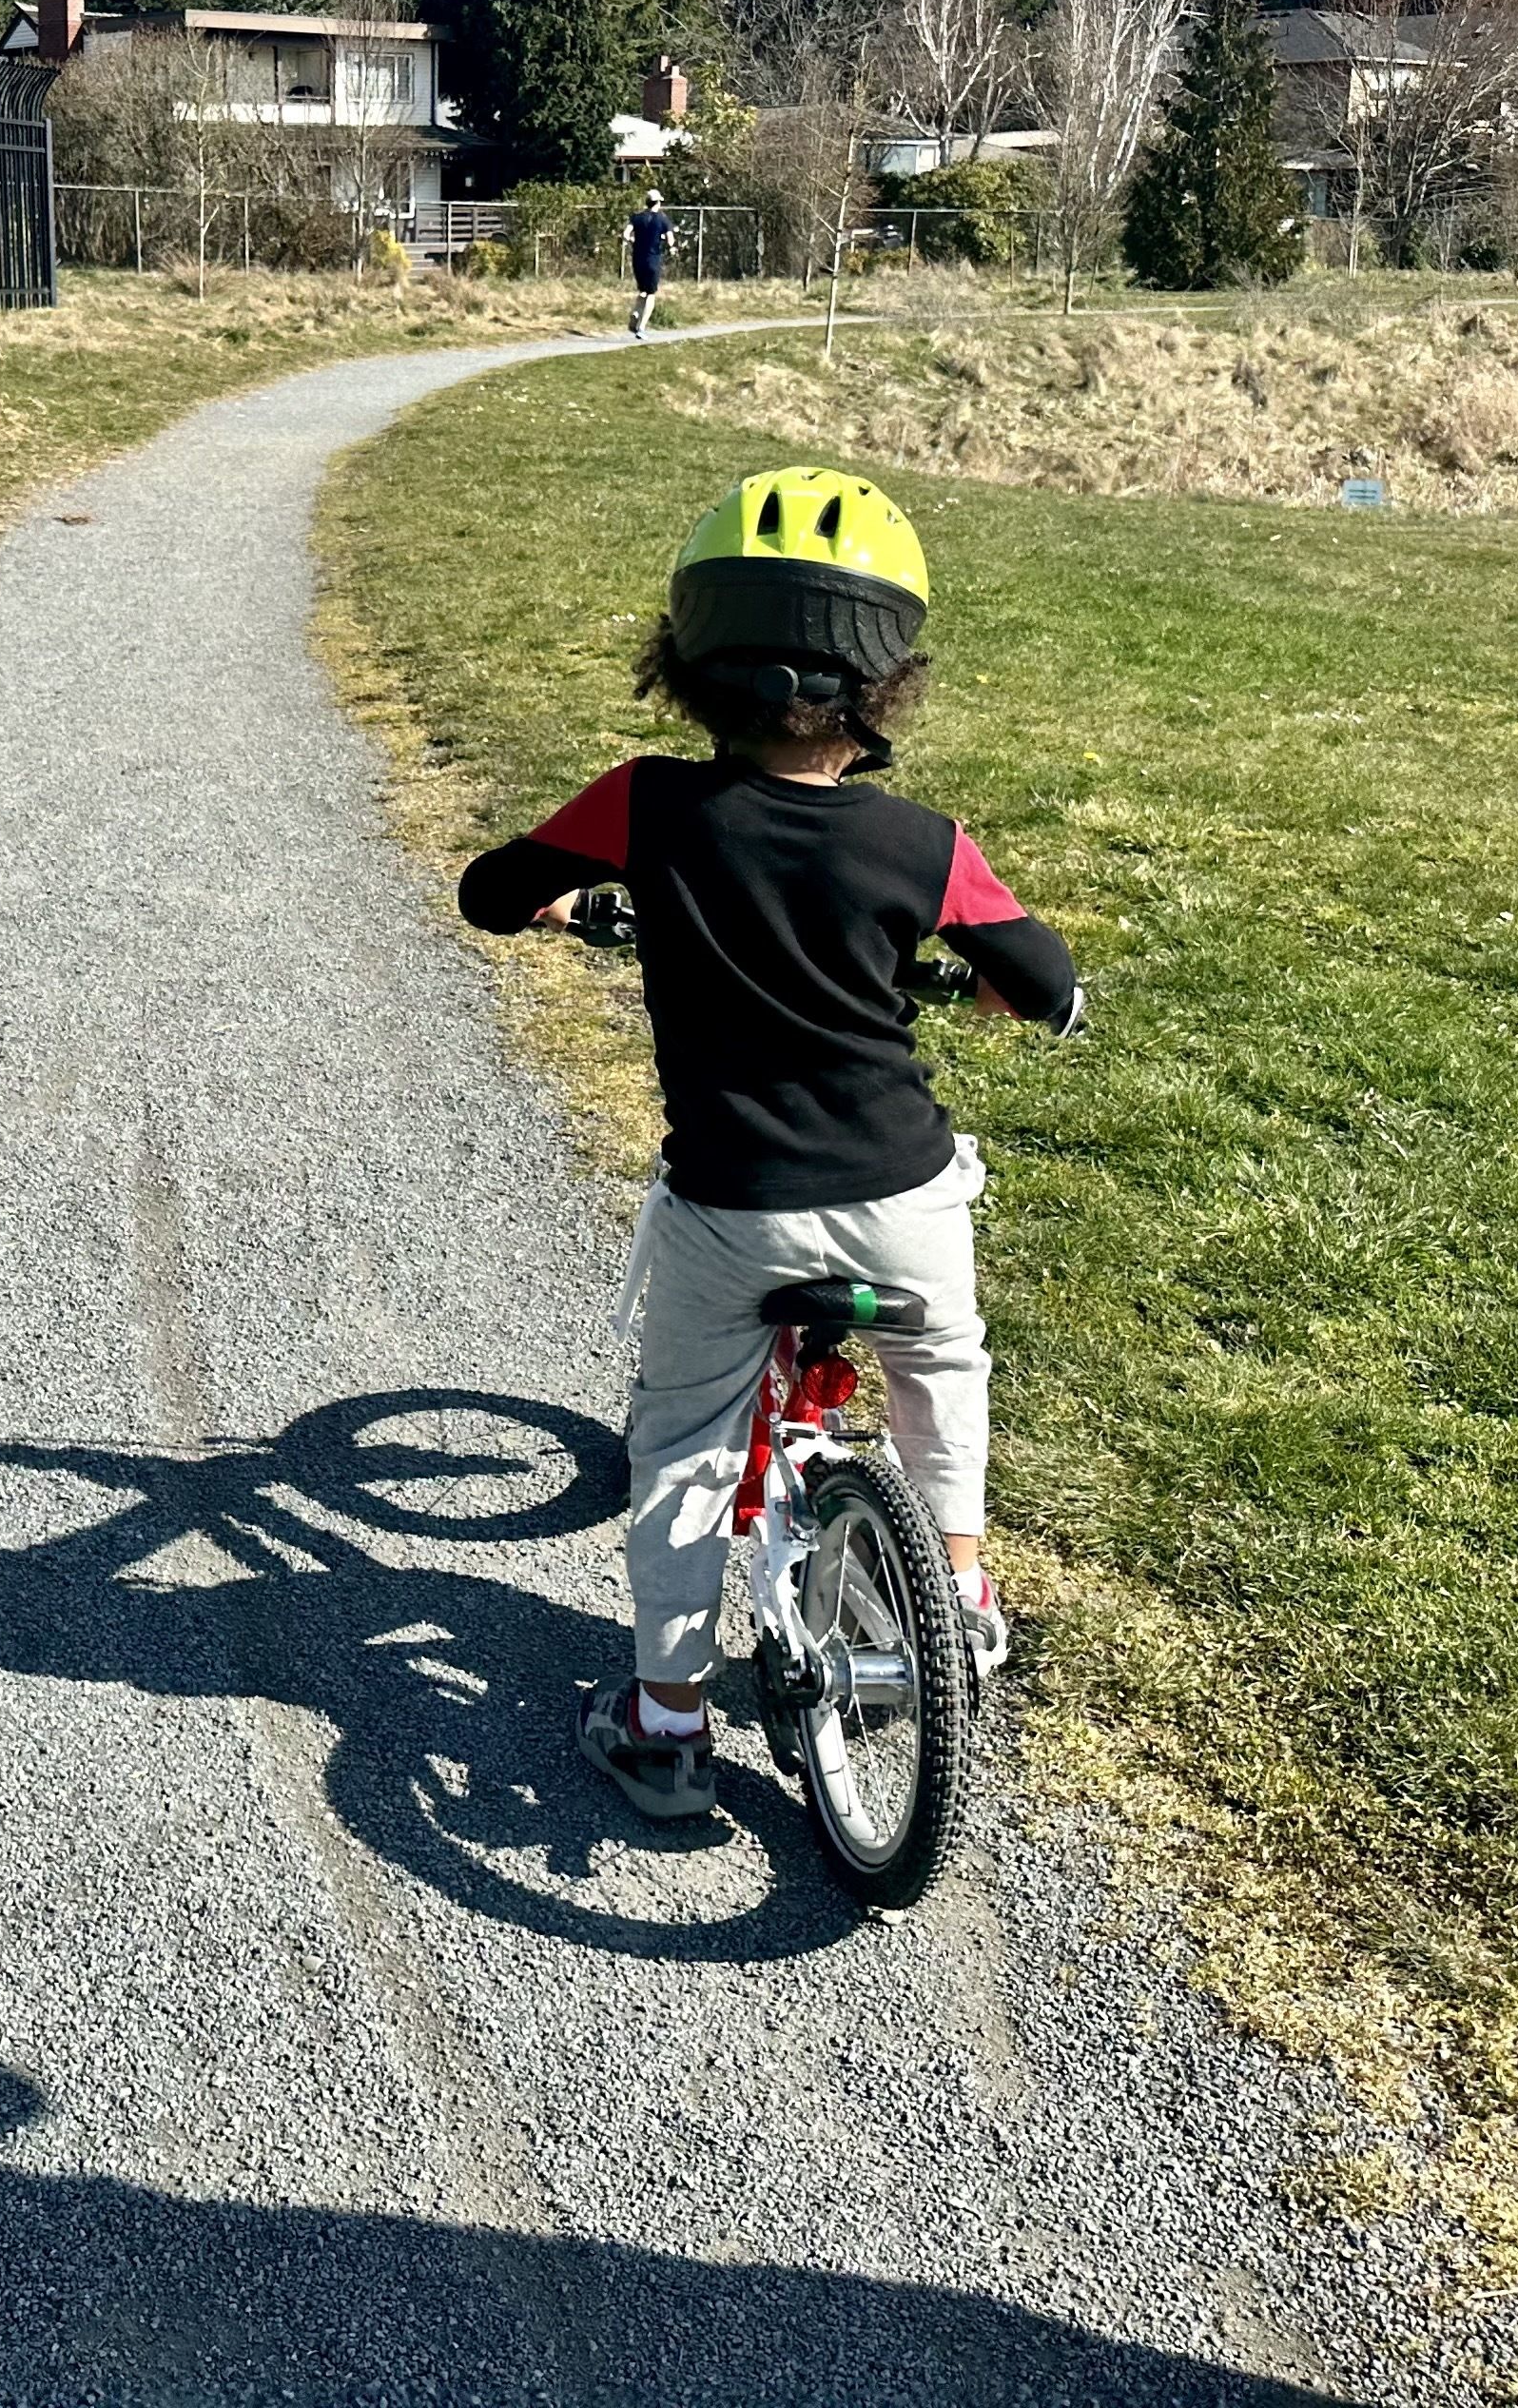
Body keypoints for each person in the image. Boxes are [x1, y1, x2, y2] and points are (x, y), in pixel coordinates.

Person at [456, 471, 1084, 1822]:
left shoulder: (643, 807)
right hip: (899, 1193)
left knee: (683, 1441)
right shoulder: (924, 842)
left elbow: (489, 893)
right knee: (939, 1365)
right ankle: (959, 1596)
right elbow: (1046, 980)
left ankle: (667, 1721)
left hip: (732, 1204)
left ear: (688, 664)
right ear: (886, 683)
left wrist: (565, 894)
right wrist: (1000, 984)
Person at [625, 189, 673, 338]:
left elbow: (626, 234)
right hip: (653, 259)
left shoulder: (637, 218)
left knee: (643, 291)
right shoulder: (663, 220)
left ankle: (635, 312)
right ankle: (642, 327)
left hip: (638, 259)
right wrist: (666, 241)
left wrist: (631, 241)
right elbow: (671, 240)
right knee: (651, 294)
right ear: (658, 202)